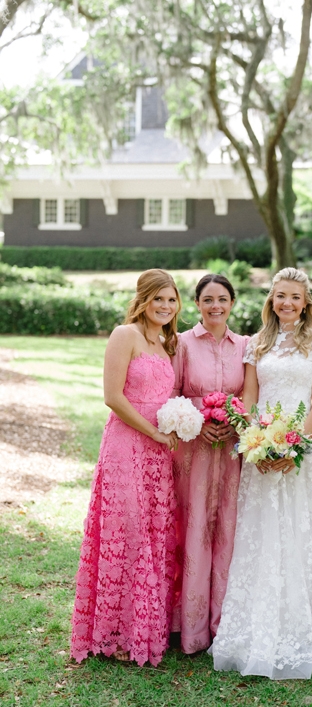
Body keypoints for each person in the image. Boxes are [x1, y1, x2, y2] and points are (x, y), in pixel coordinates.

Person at [210, 267, 312, 679]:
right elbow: (251, 396)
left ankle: (306, 625)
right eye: (279, 296)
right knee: (262, 531)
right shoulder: (257, 343)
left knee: (301, 529)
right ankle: (256, 625)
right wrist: (256, 441)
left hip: (302, 449)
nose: (286, 303)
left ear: (306, 301)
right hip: (260, 449)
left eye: (294, 297)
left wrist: (295, 446)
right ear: (270, 300)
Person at [70, 269, 181, 667]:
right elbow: (113, 397)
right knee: (126, 531)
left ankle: (144, 628)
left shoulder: (165, 343)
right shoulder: (125, 335)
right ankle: (112, 633)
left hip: (158, 452)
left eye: (171, 300)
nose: (165, 307)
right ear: (143, 300)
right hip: (126, 444)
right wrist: (153, 431)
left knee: (152, 534)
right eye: (159, 299)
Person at [172, 274, 249, 653]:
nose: (215, 306)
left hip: (233, 452)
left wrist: (235, 422)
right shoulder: (182, 344)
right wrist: (199, 420)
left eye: (222, 299)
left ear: (232, 302)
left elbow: (251, 396)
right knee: (194, 528)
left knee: (229, 530)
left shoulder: (246, 345)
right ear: (197, 304)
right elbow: (170, 395)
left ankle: (224, 622)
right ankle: (190, 627)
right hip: (193, 453)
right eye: (207, 300)